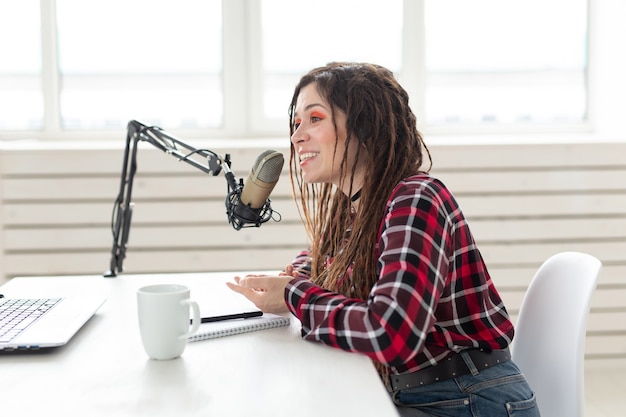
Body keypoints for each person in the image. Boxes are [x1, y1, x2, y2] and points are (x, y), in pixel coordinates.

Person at [226, 62, 540, 416]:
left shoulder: (416, 198)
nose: (297, 136)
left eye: (315, 119)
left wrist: (291, 293)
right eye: (296, 124)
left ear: (365, 126)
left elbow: (390, 333)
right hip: (425, 392)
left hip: (467, 398)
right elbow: (331, 259)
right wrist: (300, 273)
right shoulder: (358, 206)